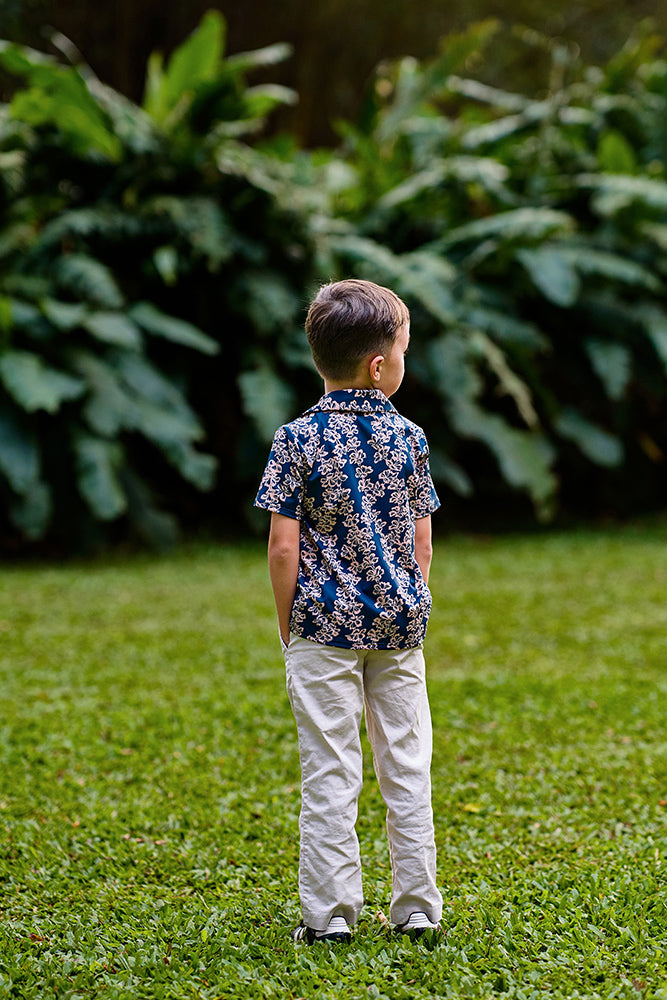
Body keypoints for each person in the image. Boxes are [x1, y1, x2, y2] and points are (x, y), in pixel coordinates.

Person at [255, 278, 443, 944]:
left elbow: (283, 547)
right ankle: (416, 909)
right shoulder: (409, 438)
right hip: (398, 628)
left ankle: (330, 918)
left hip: (321, 628)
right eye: (403, 350)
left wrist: (289, 626)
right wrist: (406, 599)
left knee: (330, 770)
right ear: (378, 365)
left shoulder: (295, 439)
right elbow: (420, 539)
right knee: (406, 766)